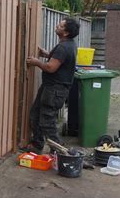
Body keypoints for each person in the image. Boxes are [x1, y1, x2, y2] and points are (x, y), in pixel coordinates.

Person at [23, 17, 80, 154]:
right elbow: (60, 61)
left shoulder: (63, 47)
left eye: (60, 26)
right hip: (52, 88)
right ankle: (37, 145)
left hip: (55, 90)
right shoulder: (69, 44)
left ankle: (62, 152)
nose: (57, 26)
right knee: (35, 115)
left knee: (47, 123)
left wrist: (36, 62)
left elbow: (50, 68)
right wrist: (47, 54)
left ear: (65, 32)